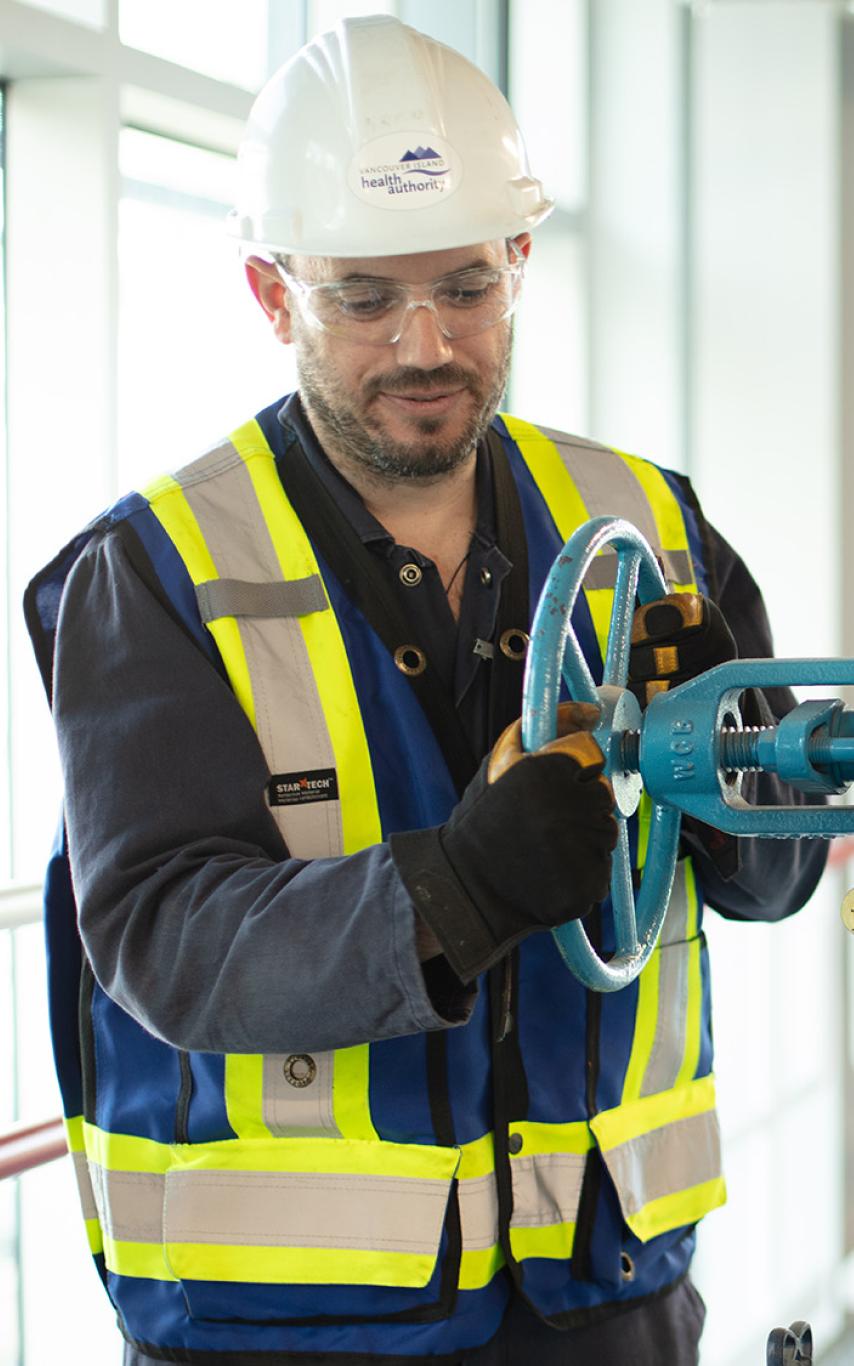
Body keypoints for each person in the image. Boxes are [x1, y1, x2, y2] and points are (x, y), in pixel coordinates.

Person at [25, 15, 826, 1366]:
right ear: (271, 293)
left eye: (464, 287)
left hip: (605, 1291)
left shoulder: (648, 522)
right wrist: (460, 888)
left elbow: (769, 878)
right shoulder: (157, 571)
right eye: (362, 299)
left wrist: (735, 767)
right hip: (290, 1325)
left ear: (519, 262)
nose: (426, 345)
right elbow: (163, 935)